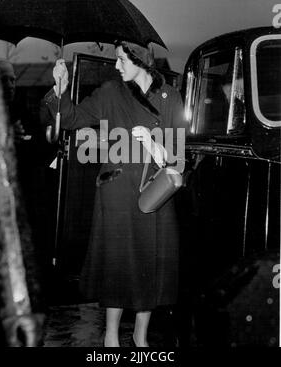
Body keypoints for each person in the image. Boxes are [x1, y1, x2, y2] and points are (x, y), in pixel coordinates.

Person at [41, 40, 186, 347]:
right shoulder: (110, 92)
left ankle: (141, 335)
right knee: (117, 263)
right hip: (117, 193)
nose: (116, 66)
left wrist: (152, 143)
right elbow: (72, 118)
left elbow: (178, 159)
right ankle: (110, 335)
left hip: (154, 195)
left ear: (141, 60)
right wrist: (60, 89)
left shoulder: (170, 97)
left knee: (149, 263)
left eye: (122, 60)